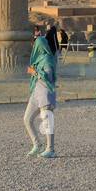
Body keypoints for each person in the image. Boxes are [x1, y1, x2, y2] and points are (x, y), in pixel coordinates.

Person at [24, 26, 58, 158]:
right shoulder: (38, 59)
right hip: (36, 93)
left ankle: (51, 149)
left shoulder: (48, 59)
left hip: (45, 93)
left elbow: (48, 76)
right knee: (27, 119)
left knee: (47, 121)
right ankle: (37, 145)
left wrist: (35, 72)